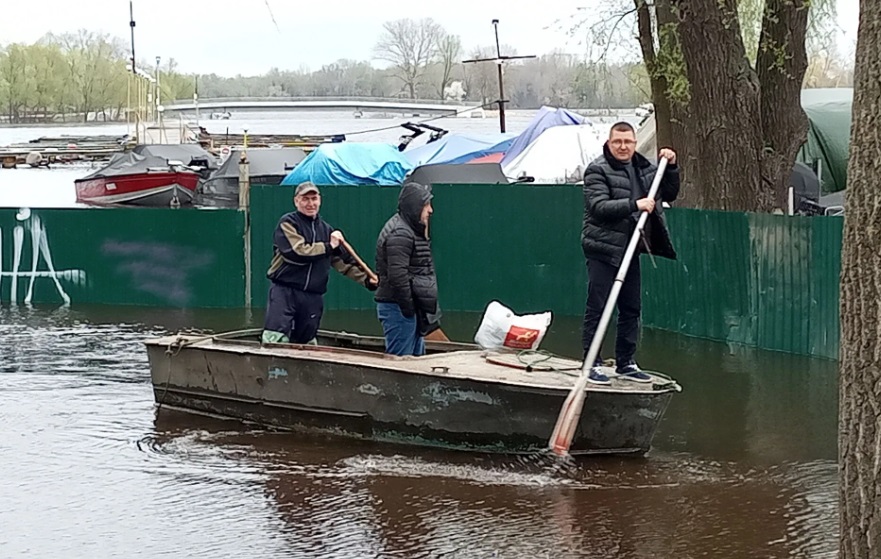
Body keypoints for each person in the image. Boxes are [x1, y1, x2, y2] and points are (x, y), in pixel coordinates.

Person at [581, 121, 680, 384]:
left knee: (631, 307)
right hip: (603, 248)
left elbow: (670, 193)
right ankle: (591, 363)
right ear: (609, 143)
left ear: (635, 143)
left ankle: (625, 362)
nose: (623, 147)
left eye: (627, 142)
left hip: (631, 247)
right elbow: (599, 206)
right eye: (618, 142)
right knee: (599, 307)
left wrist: (671, 167)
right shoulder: (596, 170)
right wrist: (635, 204)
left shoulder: (645, 168)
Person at [262, 181, 377, 345]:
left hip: (313, 296)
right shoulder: (287, 223)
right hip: (285, 291)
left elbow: (344, 263)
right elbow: (297, 252)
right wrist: (329, 246)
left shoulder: (326, 230)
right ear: (296, 201)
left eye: (314, 199)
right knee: (275, 337)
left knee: (307, 340)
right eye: (305, 199)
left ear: (320, 200)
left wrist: (368, 280)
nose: (310, 204)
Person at [374, 182, 440, 356]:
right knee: (401, 362)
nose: (430, 210)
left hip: (408, 308)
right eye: (426, 205)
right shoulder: (400, 233)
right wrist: (408, 308)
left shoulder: (409, 229)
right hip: (399, 309)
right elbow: (397, 276)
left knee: (416, 362)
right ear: (415, 206)